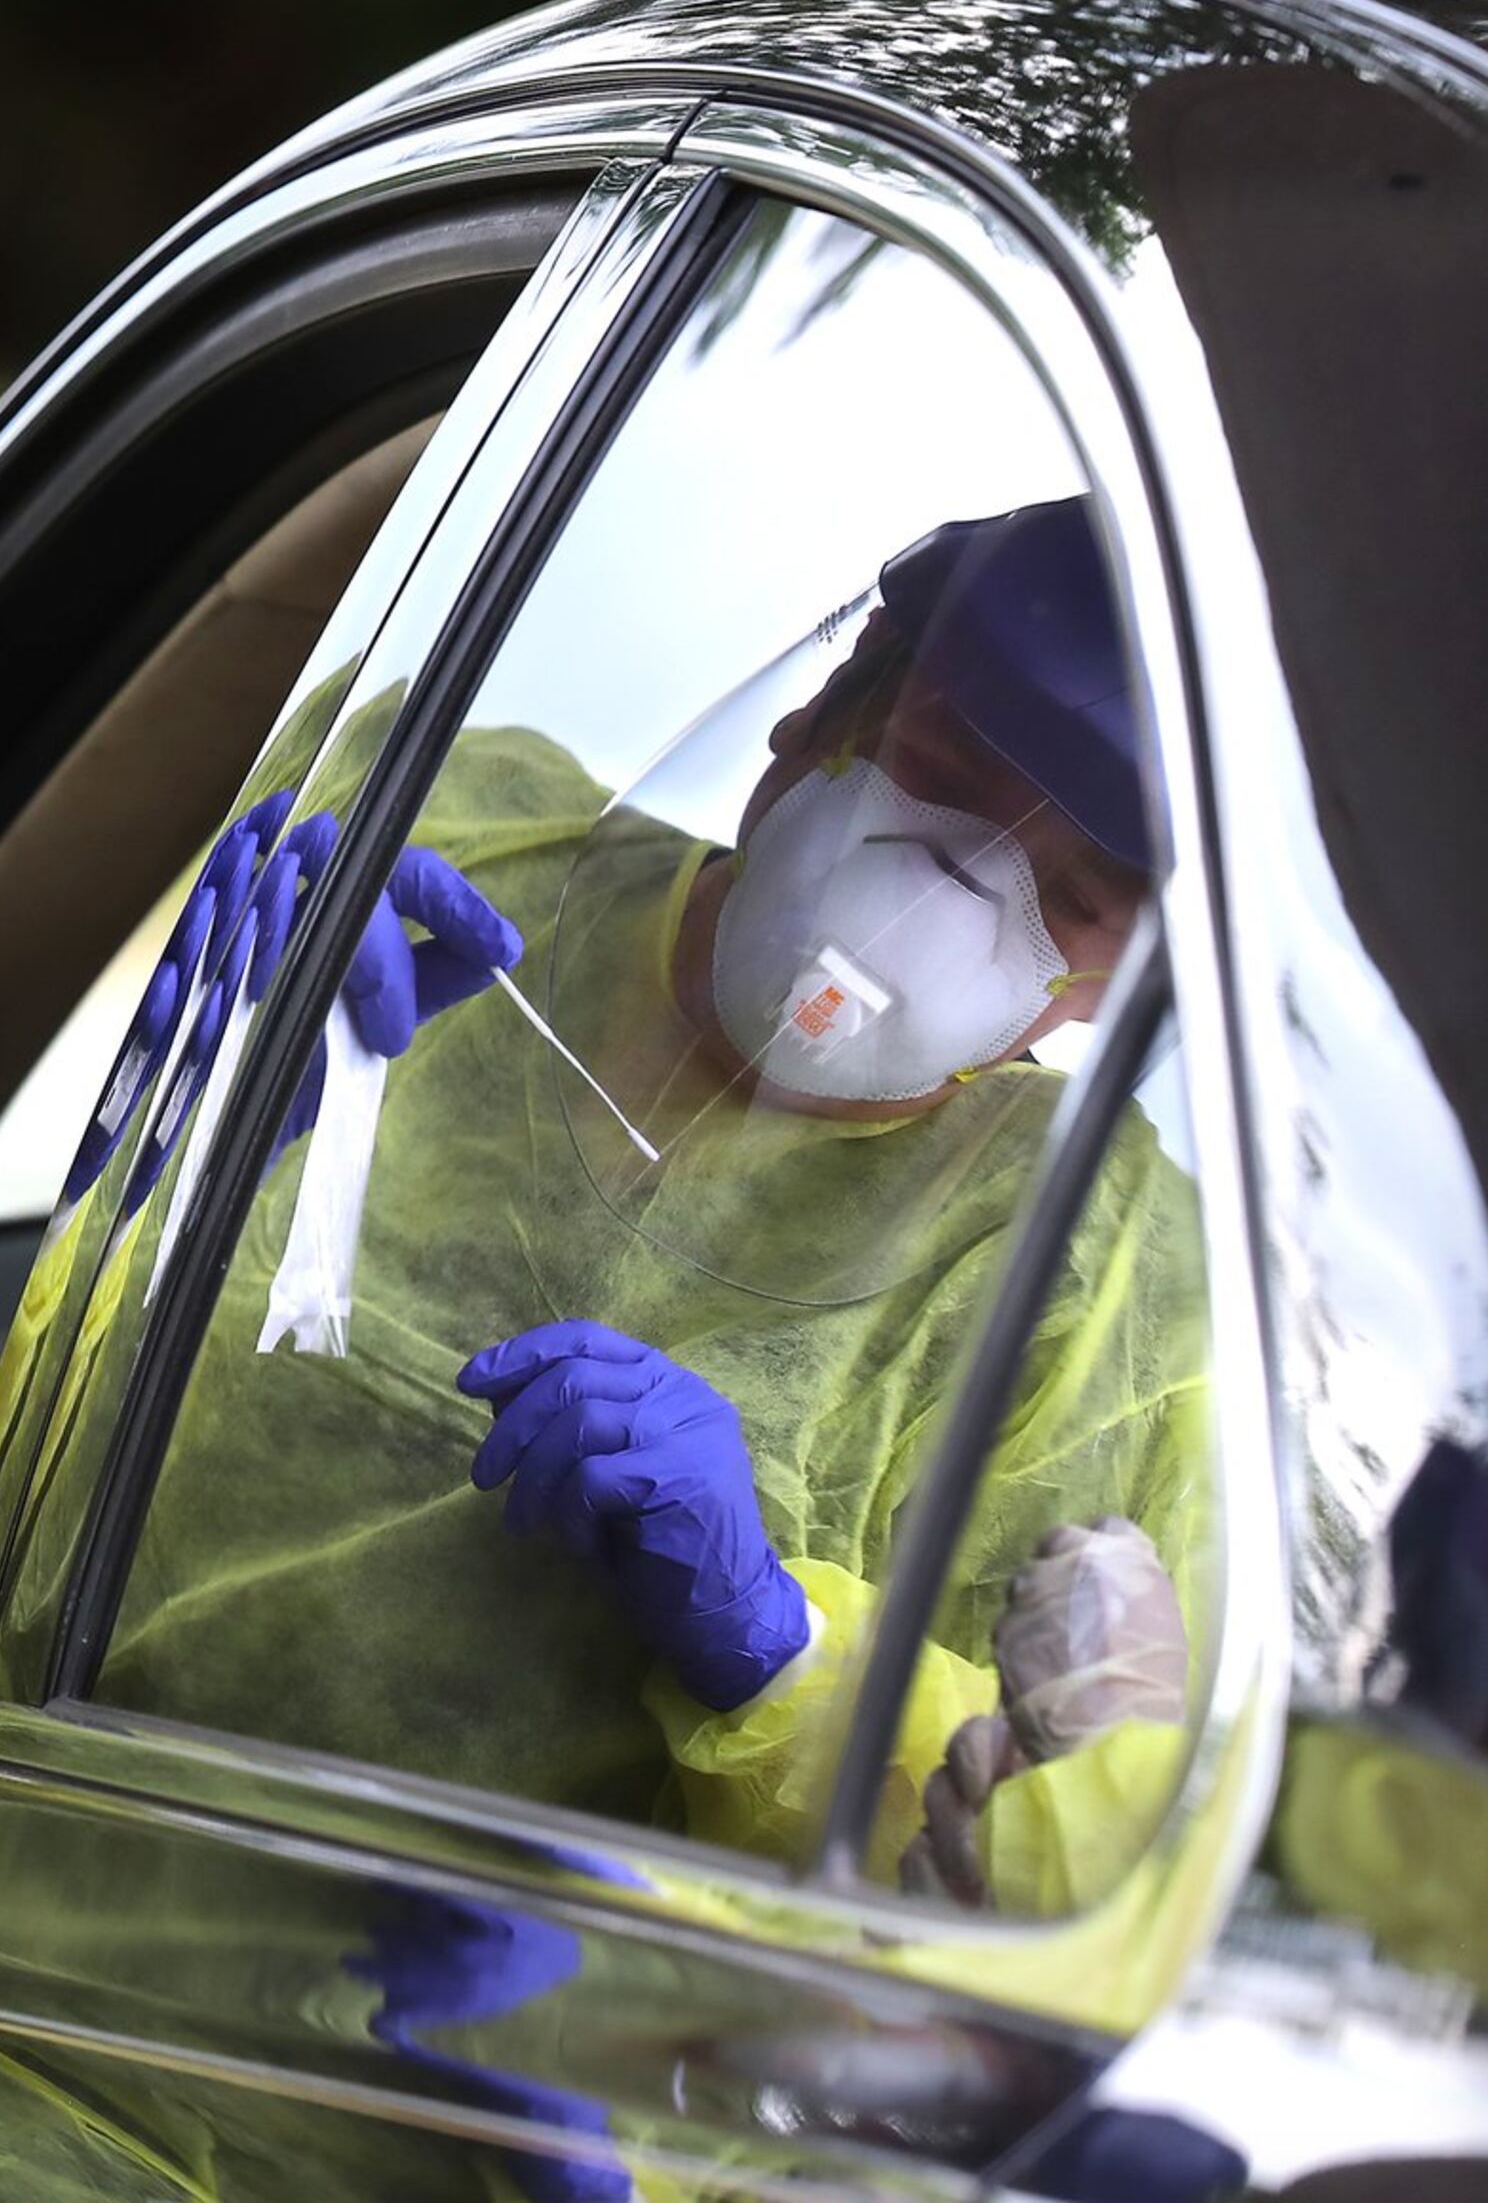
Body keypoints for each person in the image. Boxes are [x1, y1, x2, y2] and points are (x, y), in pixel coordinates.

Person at [91, 498, 1207, 1905]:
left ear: (1119, 986)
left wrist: (779, 1651)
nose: (950, 900)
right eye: (952, 773)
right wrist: (173, 1131)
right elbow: (40, 1412)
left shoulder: (1091, 1285)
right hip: (11, 1892)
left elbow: (1044, 1888)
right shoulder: (433, 840)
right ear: (825, 708)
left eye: (1079, 897)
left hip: (485, 2074)